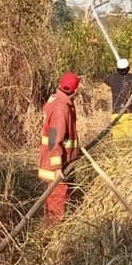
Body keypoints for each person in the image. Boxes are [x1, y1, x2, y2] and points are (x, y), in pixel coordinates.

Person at [38, 72, 80, 224]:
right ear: (75, 91)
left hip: (63, 161)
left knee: (57, 199)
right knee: (57, 202)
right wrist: (57, 168)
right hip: (57, 165)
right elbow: (55, 140)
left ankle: (51, 231)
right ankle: (53, 236)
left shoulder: (59, 101)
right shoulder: (61, 109)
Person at [104, 58, 132, 140]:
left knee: (117, 141)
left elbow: (105, 79)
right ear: (128, 68)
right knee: (129, 141)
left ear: (117, 69)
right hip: (129, 113)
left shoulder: (111, 78)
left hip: (116, 114)